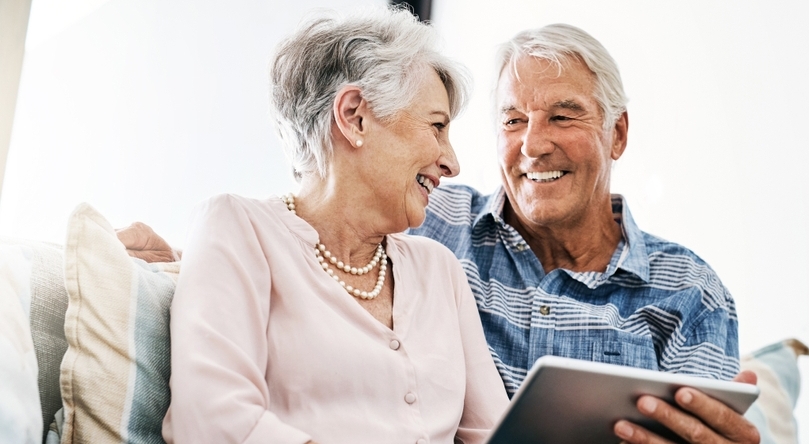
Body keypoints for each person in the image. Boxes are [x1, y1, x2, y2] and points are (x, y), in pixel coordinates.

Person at [121, 21, 761, 444]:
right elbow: (308, 222)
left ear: (617, 133)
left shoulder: (435, 261)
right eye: (511, 120)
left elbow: (493, 435)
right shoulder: (424, 219)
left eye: (563, 116)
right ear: (355, 117)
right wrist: (184, 264)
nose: (530, 145)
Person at [159, 8, 508, 443]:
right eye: (436, 127)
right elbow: (210, 420)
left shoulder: (440, 270)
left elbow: (498, 435)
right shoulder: (238, 229)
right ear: (354, 116)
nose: (452, 163)